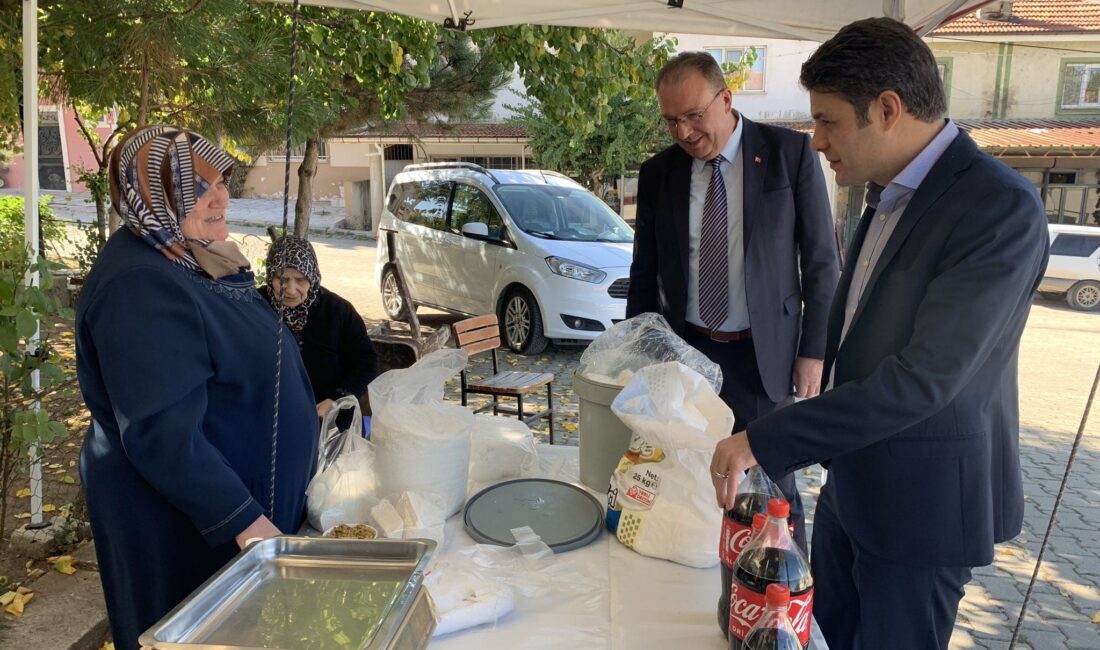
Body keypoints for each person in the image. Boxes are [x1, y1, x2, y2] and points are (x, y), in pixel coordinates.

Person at [709, 18, 1049, 649]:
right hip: (855, 486)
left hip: (924, 509)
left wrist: (766, 436)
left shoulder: (998, 209)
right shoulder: (884, 192)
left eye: (829, 121)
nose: (815, 142)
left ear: (888, 110)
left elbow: (925, 379)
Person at [76, 126, 319, 649]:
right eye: (197, 189)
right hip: (186, 532)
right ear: (154, 197)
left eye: (221, 183)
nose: (220, 198)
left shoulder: (186, 255)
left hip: (235, 524)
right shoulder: (137, 284)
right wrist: (248, 522)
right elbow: (160, 430)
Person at [626, 51, 839, 550]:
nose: (683, 132)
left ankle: (784, 597)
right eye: (671, 121)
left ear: (725, 98)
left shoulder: (789, 154)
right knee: (690, 475)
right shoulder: (659, 173)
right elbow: (644, 272)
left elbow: (823, 262)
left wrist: (814, 351)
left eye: (693, 116)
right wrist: (638, 354)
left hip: (762, 356)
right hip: (689, 355)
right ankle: (704, 571)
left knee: (771, 489)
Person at [259, 234, 379, 420]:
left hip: (328, 419)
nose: (290, 290)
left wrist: (337, 399)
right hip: (270, 418)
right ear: (270, 277)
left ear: (313, 278)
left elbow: (366, 361)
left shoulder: (337, 311)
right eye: (282, 279)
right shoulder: (256, 308)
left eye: (300, 280)